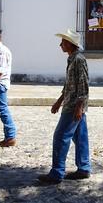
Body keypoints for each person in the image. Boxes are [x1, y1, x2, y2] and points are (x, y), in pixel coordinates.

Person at [38, 29, 91, 185]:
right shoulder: (72, 59)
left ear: (70, 43)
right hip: (70, 103)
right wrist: (59, 100)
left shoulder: (79, 60)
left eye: (63, 41)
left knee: (60, 137)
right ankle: (84, 168)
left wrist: (79, 107)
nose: (60, 44)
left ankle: (57, 173)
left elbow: (83, 85)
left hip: (74, 106)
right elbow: (69, 84)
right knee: (80, 137)